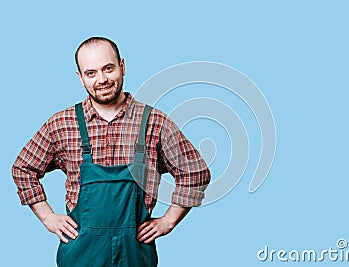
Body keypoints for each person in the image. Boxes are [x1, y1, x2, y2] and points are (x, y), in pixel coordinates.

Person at [12, 36, 211, 266]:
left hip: (134, 255)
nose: (102, 79)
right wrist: (47, 216)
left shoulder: (154, 122)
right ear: (81, 78)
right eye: (91, 73)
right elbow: (23, 168)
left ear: (122, 66)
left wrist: (168, 221)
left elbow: (196, 172)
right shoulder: (62, 124)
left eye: (108, 68)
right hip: (81, 256)